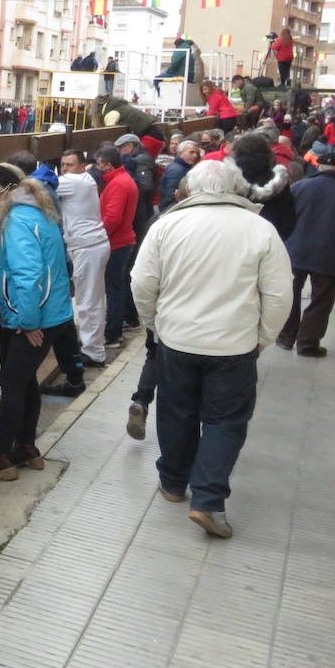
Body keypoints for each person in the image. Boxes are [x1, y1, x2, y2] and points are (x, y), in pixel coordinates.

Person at [131, 161, 292, 539]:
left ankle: (172, 483)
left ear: (190, 188)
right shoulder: (261, 230)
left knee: (176, 411)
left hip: (178, 340)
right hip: (234, 345)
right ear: (237, 188)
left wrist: (155, 323)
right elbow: (280, 293)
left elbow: (142, 281)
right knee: (225, 421)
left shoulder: (167, 225)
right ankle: (207, 501)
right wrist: (263, 337)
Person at [0, 164, 74, 483]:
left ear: (2, 190)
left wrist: (27, 322)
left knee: (13, 382)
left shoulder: (15, 220)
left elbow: (29, 275)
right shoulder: (38, 210)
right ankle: (26, 446)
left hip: (34, 315)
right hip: (51, 311)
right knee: (25, 380)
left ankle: (1, 455)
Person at [276, 152, 335, 357]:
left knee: (289, 295)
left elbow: (280, 217)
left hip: (294, 252)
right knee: (321, 300)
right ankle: (307, 344)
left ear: (318, 167)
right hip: (330, 255)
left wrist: (284, 243)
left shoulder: (298, 187)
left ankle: (285, 337)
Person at [57, 148, 111, 367]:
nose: (65, 169)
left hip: (87, 246)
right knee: (93, 299)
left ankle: (93, 352)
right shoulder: (86, 179)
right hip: (91, 244)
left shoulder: (74, 181)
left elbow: (36, 186)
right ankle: (93, 347)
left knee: (88, 302)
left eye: (70, 165)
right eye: (62, 165)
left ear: (81, 166)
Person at [95, 145, 138, 348]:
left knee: (114, 289)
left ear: (108, 165)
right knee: (118, 287)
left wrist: (98, 237)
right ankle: (117, 327)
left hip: (117, 243)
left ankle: (112, 333)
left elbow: (113, 218)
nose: (96, 167)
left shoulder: (118, 184)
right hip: (122, 241)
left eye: (99, 164)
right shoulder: (121, 180)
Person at [230, 132, 296, 239]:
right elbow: (288, 218)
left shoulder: (230, 179)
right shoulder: (278, 179)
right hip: (271, 233)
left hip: (238, 235)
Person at [159, 140, 201, 212]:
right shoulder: (176, 171)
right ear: (180, 152)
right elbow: (171, 196)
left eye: (196, 153)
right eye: (191, 152)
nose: (195, 155)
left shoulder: (184, 167)